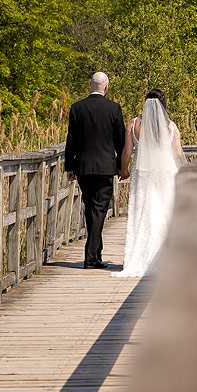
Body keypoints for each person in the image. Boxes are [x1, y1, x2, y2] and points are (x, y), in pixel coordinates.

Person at [118, 88, 184, 278]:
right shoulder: (171, 126)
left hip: (143, 174)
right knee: (165, 212)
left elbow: (126, 152)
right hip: (165, 174)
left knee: (144, 212)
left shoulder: (134, 124)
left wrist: (123, 170)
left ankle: (141, 257)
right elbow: (177, 154)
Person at [64, 71, 125, 269]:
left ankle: (95, 254)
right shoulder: (114, 108)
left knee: (91, 208)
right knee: (99, 209)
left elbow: (71, 140)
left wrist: (70, 166)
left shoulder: (77, 108)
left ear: (90, 85)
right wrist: (121, 166)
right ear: (106, 86)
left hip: (83, 167)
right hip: (105, 167)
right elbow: (120, 141)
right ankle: (91, 258)